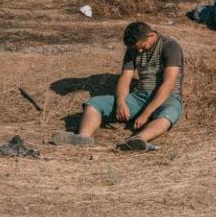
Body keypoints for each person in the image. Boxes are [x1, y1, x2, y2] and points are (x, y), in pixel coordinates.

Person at [52, 22, 183, 151]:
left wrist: (146, 113)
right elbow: (125, 78)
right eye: (137, 49)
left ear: (150, 35)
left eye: (142, 47)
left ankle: (138, 140)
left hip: (168, 97)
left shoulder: (170, 46)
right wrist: (121, 103)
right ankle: (82, 138)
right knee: (94, 103)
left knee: (167, 115)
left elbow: (169, 84)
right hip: (140, 96)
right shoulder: (133, 48)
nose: (140, 51)